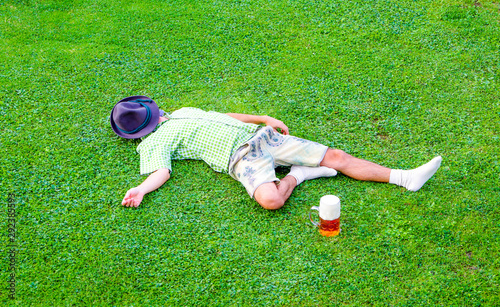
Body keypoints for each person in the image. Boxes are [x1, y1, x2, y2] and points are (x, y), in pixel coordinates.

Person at [111, 96, 442, 210]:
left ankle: (405, 178)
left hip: (261, 137)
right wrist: (140, 189)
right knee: (270, 201)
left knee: (337, 157)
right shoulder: (151, 144)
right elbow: (162, 171)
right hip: (241, 160)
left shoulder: (182, 110)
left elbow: (221, 117)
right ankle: (299, 175)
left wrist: (262, 118)